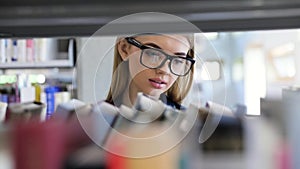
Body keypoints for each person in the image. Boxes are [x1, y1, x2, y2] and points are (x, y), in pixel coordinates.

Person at [106, 33, 195, 110]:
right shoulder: (95, 121)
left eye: (178, 60)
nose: (165, 70)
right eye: (153, 54)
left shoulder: (191, 126)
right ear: (124, 49)